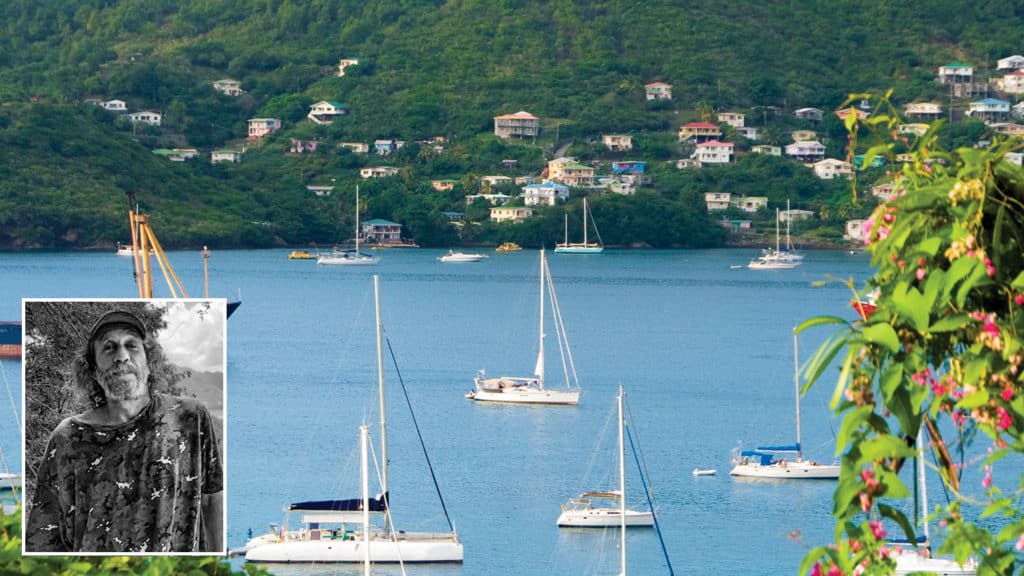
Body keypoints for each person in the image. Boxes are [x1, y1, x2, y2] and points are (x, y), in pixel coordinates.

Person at [25, 309, 223, 553]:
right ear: (94, 371)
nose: (121, 356)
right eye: (109, 348)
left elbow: (212, 498)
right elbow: (43, 540)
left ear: (150, 363)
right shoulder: (68, 438)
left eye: (132, 346)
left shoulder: (190, 418)